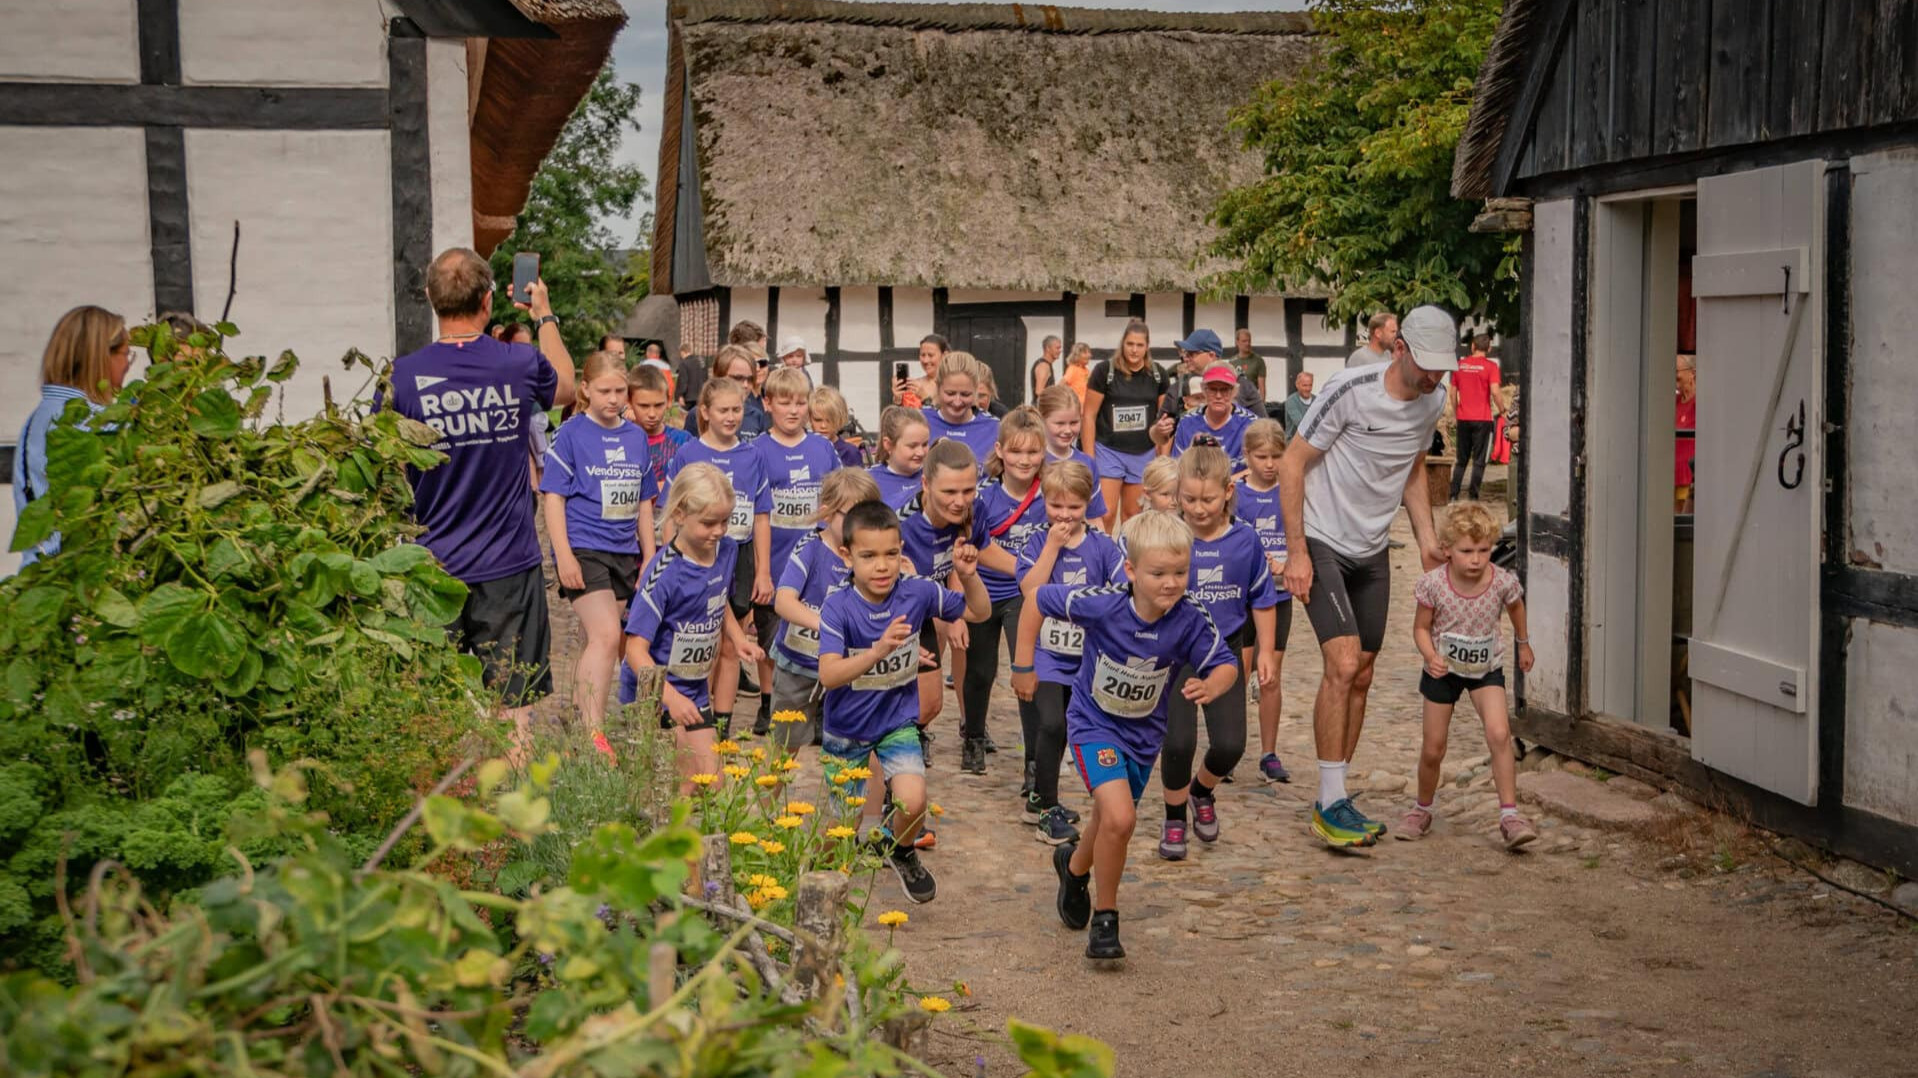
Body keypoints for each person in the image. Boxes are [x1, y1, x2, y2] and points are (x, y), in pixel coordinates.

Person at [385, 248, 575, 752]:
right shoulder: (517, 361)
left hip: (432, 568)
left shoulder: (402, 375)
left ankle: (441, 817)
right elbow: (568, 386)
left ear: (430, 299)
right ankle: (513, 822)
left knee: (432, 709)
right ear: (489, 300)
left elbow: (393, 469)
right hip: (508, 565)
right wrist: (544, 314)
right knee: (515, 710)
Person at [1279, 305, 1454, 848]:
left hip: (1372, 548)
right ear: (1398, 347)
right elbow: (1290, 463)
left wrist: (1426, 537)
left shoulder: (1435, 400)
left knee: (1365, 671)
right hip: (1324, 538)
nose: (1433, 377)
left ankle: (1338, 794)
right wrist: (1297, 551)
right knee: (1344, 660)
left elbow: (1413, 467)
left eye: (1441, 368)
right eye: (1426, 364)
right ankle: (1328, 802)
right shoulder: (1349, 389)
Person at [1028, 510, 1237, 961]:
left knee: (1109, 820)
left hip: (1142, 736)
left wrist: (1211, 685)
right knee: (1121, 819)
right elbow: (1035, 597)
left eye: (1181, 572)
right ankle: (1106, 920)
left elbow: (1225, 663)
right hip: (1092, 724)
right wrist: (1025, 664)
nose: (1171, 583)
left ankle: (1074, 867)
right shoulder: (1101, 603)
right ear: (1131, 570)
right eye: (1158, 573)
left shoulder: (1189, 617)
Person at [818, 499, 990, 904]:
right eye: (869, 556)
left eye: (891, 554)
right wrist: (877, 652)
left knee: (913, 800)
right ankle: (817, 890)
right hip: (847, 731)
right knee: (842, 826)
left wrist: (969, 576)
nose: (882, 566)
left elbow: (979, 612)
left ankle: (901, 850)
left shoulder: (916, 592)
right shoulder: (837, 607)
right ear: (847, 556)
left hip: (897, 723)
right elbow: (828, 674)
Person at [1155, 444, 1278, 860]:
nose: (1197, 508)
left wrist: (1264, 652)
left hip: (1223, 651)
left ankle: (1200, 790)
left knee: (1230, 744)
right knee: (1178, 742)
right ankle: (1174, 818)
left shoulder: (1245, 541)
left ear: (1227, 491)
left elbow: (1261, 599)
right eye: (1188, 499)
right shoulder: (1168, 534)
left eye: (1207, 499)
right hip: (1173, 654)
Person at [1400, 501, 1538, 848]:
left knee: (1499, 733)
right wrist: (1430, 656)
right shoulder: (1433, 584)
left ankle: (1510, 814)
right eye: (1466, 551)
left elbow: (1516, 607)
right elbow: (1420, 628)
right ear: (1446, 550)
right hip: (1443, 670)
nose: (1476, 559)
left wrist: (1523, 643)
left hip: (1484, 668)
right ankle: (1422, 808)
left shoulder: (1502, 581)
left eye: (1483, 550)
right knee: (1434, 747)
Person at [541, 351, 658, 744]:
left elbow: (644, 501)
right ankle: (594, 732)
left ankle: (579, 713)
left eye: (620, 391)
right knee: (607, 634)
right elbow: (553, 497)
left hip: (623, 550)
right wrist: (564, 555)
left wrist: (650, 555)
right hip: (584, 545)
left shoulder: (636, 437)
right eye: (604, 391)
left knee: (600, 640)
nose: (613, 399)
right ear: (585, 390)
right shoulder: (571, 434)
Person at [625, 463, 764, 789]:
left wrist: (735, 635)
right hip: (653, 692)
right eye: (708, 523)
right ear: (680, 514)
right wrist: (668, 698)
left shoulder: (726, 549)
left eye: (725, 521)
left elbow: (717, 596)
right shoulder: (663, 573)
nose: (718, 530)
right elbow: (634, 649)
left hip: (694, 687)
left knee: (711, 783)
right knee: (672, 787)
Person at [1008, 461, 1120, 845]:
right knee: (1051, 723)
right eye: (1056, 506)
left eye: (1074, 507)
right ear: (1044, 502)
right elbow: (1030, 590)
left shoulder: (1104, 546)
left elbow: (1121, 590)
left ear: (1088, 502)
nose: (1065, 515)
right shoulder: (1038, 541)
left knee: (1069, 728)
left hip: (1087, 658)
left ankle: (1039, 795)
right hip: (1046, 653)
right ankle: (1048, 810)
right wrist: (1053, 547)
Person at [662, 376, 772, 738]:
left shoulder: (752, 455)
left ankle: (721, 726)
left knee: (731, 642)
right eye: (723, 410)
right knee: (702, 638)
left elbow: (760, 515)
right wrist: (669, 555)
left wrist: (763, 572)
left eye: (737, 409)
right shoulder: (688, 453)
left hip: (737, 554)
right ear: (704, 412)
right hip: (695, 554)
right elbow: (670, 508)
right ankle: (695, 713)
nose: (731, 417)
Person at [749, 367, 845, 735]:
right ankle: (768, 700)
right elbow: (758, 512)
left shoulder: (822, 447)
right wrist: (762, 571)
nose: (794, 410)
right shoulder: (757, 449)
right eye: (785, 403)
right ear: (768, 403)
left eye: (801, 402)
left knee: (819, 632)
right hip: (774, 558)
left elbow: (837, 498)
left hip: (819, 560)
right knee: (772, 634)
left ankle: (820, 705)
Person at [959, 408, 1050, 776]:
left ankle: (1034, 757)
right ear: (1000, 451)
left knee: (1025, 669)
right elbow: (974, 546)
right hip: (984, 590)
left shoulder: (1049, 496)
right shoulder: (983, 498)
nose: (1024, 460)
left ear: (1044, 452)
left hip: (1023, 597)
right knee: (980, 672)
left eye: (1032, 452)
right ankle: (974, 736)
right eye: (1016, 452)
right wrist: (1022, 566)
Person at [769, 468, 883, 752]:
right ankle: (769, 797)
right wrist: (827, 625)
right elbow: (783, 601)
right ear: (827, 513)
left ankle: (851, 797)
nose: (860, 525)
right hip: (798, 664)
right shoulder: (810, 547)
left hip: (846, 671)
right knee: (784, 750)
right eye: (851, 516)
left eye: (868, 515)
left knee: (853, 749)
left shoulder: (872, 556)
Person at [11, 306, 131, 566]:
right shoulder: (95, 421)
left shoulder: (37, 418)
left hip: (40, 578)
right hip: (79, 581)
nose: (127, 366)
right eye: (125, 354)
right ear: (101, 358)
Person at [1235, 419, 1294, 783]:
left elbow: (1300, 537)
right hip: (1240, 598)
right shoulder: (1236, 493)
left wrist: (1288, 563)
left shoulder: (1290, 490)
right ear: (1247, 456)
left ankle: (1269, 752)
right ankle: (1228, 747)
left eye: (1276, 456)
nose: (1270, 464)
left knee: (1269, 675)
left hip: (1278, 594)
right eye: (1262, 456)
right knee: (1236, 676)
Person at [1081, 319, 1168, 532]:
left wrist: (1163, 457)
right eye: (1130, 344)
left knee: (1133, 516)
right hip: (1108, 450)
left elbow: (1165, 419)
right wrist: (1089, 458)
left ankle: (1128, 561)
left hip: (1143, 452)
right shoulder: (1104, 371)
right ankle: (1103, 562)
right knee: (1106, 514)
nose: (1134, 350)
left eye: (1139, 345)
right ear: (1123, 344)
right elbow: (1088, 415)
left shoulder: (1158, 375)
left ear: (1147, 346)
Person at [1163, 362, 1260, 469]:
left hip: (1237, 484)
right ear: (1204, 390)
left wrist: (1223, 484)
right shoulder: (1186, 422)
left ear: (1234, 392)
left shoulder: (1252, 425)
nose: (1218, 396)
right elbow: (1178, 467)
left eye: (1224, 390)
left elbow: (1258, 471)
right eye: (1213, 389)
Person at [1036, 384, 1109, 524]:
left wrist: (1103, 544)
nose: (1068, 430)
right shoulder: (1032, 460)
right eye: (1060, 423)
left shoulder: (1087, 463)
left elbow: (1094, 516)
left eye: (1074, 423)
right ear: (1041, 420)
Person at [627, 364, 692, 501]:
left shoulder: (684, 442)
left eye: (658, 405)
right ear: (629, 402)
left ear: (668, 401)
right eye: (644, 406)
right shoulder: (621, 442)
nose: (652, 414)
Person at [1449, 333, 1502, 501]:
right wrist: (1503, 409)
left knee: (1461, 459)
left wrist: (1456, 410)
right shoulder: (1491, 367)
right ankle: (1473, 496)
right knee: (1479, 460)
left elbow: (1452, 391)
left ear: (1472, 346)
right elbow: (1495, 392)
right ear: (1489, 348)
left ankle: (1453, 495)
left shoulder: (1460, 365)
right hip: (1483, 418)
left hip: (1463, 417)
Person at [922, 352, 1000, 454]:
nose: (957, 402)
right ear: (937, 387)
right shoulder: (920, 420)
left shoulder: (993, 428)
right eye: (950, 394)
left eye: (965, 394)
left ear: (976, 390)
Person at [809, 385, 866, 469]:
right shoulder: (803, 450)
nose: (823, 426)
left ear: (839, 419)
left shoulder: (850, 453)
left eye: (829, 420)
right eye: (818, 420)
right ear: (810, 418)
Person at [893, 333, 948, 409]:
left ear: (944, 355)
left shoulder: (952, 385)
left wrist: (925, 398)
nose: (925, 360)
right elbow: (904, 416)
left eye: (930, 355)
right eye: (922, 355)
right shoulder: (915, 385)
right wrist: (898, 400)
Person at [1228, 328, 1268, 416]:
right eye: (1244, 341)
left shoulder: (1258, 360)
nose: (1247, 344)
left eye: (1249, 341)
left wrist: (1262, 405)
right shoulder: (1232, 362)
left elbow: (1262, 387)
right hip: (1237, 401)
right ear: (1237, 342)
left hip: (1253, 401)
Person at [1675, 354, 1696, 513]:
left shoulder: (1699, 402)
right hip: (1672, 474)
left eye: (1676, 370)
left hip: (1686, 476)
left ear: (1692, 373)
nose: (1674, 375)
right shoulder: (1673, 401)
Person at [1280, 370, 1316, 442]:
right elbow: (1301, 423)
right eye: (1305, 385)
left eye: (1310, 385)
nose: (1308, 389)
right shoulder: (1291, 401)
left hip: (1313, 441)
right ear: (1297, 385)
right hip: (1293, 441)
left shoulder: (1316, 400)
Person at [1031, 334, 1062, 400]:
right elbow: (1039, 392)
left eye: (1060, 348)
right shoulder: (1043, 366)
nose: (1060, 351)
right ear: (1048, 348)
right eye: (1057, 348)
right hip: (1042, 409)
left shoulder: (1046, 364)